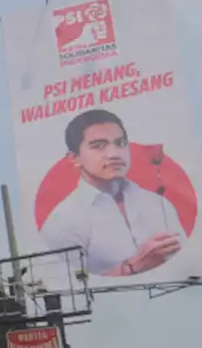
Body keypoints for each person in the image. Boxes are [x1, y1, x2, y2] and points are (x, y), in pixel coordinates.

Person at [40, 109, 187, 277]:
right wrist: (134, 266)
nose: (114, 154)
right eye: (98, 146)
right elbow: (70, 288)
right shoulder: (63, 221)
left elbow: (187, 259)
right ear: (74, 158)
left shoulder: (158, 203)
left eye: (120, 144)